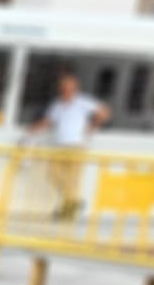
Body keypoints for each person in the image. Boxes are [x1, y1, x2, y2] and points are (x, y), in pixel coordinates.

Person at [26, 70, 109, 219]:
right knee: (53, 175)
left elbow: (103, 112)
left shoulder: (83, 102)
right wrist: (34, 128)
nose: (66, 90)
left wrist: (92, 126)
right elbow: (49, 121)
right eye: (63, 87)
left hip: (76, 146)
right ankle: (73, 202)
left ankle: (68, 212)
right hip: (59, 146)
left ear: (75, 88)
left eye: (69, 88)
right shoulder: (57, 105)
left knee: (73, 180)